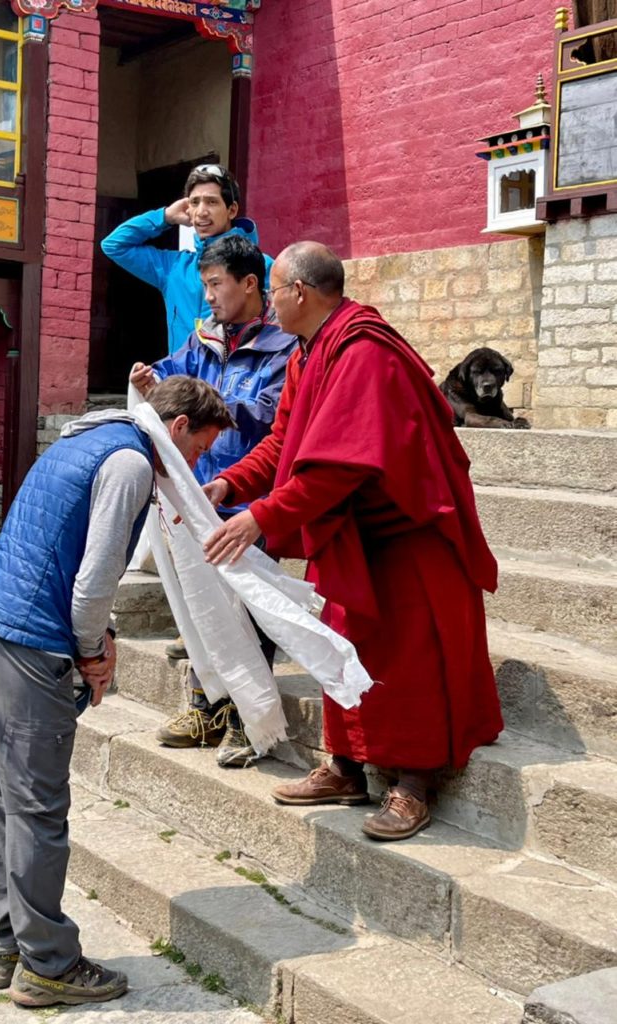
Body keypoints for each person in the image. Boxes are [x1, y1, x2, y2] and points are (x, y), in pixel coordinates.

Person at [203, 242, 504, 842]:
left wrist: (260, 517)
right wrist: (231, 482)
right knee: (341, 646)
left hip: (407, 534)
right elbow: (286, 443)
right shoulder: (308, 354)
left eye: (275, 286)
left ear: (300, 294)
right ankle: (345, 768)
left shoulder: (363, 352)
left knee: (407, 660)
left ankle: (415, 782)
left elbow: (341, 468)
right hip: (354, 532)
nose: (269, 298)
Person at [0, 378, 235, 1007]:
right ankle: (49, 965)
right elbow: (92, 579)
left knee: (1, 796)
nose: (194, 467)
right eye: (197, 450)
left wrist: (98, 634)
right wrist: (93, 653)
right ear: (180, 425)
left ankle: (10, 943)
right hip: (33, 643)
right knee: (36, 807)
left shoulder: (85, 438)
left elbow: (65, 555)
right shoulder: (132, 463)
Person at [130, 235, 298, 768]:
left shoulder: (284, 347)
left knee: (248, 610)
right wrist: (151, 379)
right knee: (199, 608)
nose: (208, 297)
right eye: (203, 285)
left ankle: (252, 720)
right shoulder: (201, 340)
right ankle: (206, 706)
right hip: (193, 490)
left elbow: (271, 413)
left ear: (250, 284)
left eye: (215, 284)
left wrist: (201, 402)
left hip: (251, 498)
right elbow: (173, 375)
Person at [101, 163, 272, 354]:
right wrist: (165, 217)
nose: (201, 211)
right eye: (194, 202)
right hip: (181, 381)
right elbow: (114, 245)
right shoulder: (173, 268)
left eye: (211, 202)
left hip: (234, 380)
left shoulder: (261, 266)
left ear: (232, 210)